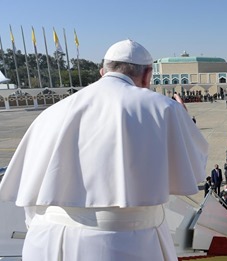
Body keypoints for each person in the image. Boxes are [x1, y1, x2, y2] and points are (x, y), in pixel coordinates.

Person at [0, 39, 209, 261]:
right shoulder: (164, 107)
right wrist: (184, 119)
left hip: (45, 240)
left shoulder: (52, 112)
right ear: (148, 75)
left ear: (102, 71)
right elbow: (193, 168)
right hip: (120, 243)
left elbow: (29, 194)